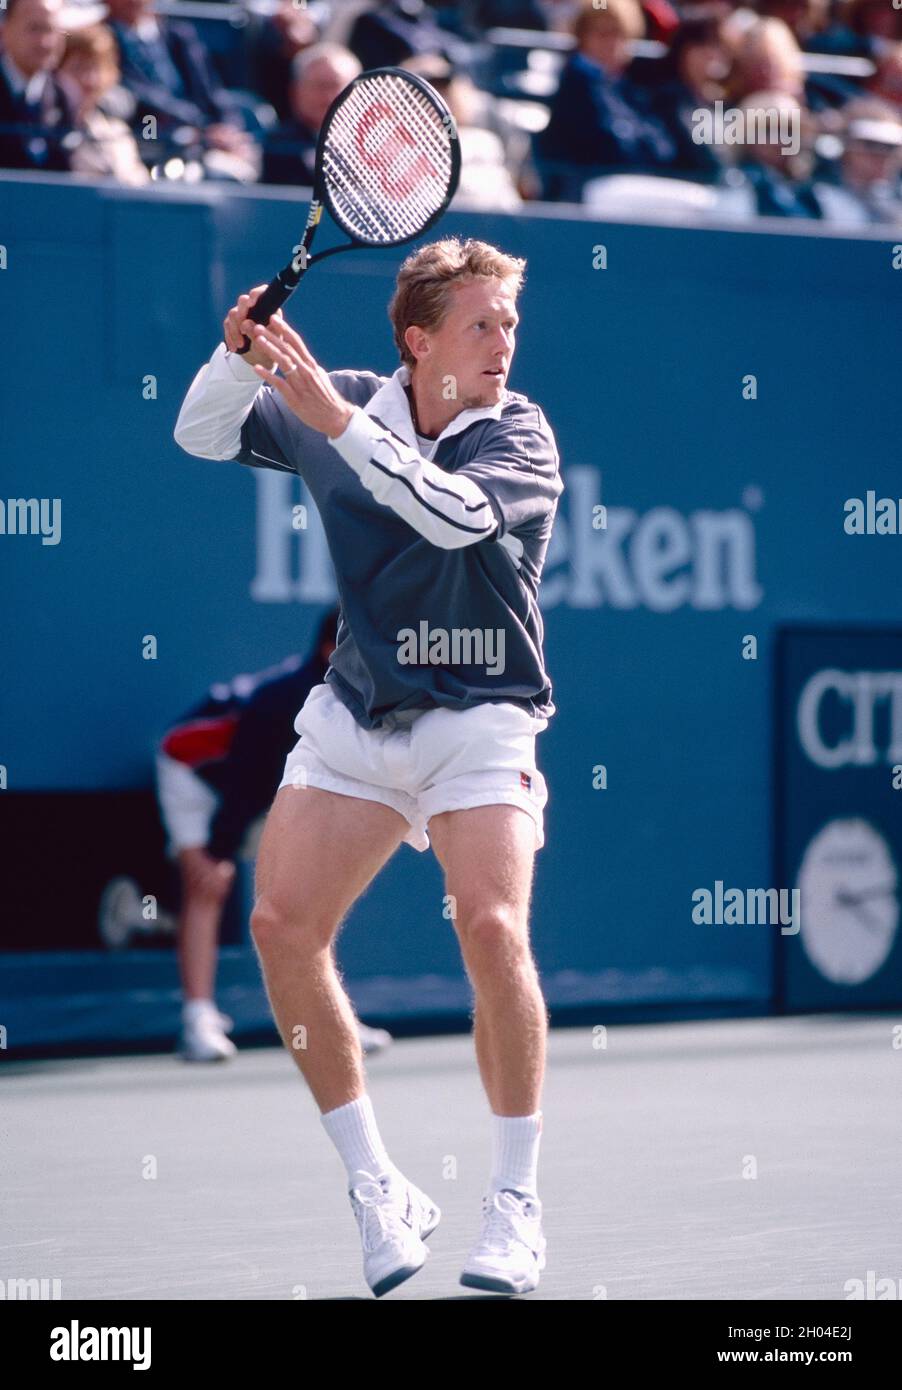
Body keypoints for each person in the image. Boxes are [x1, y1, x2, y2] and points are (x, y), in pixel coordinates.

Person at [173, 236, 563, 1298]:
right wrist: (236, 356)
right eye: (481, 324)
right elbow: (200, 433)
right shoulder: (335, 397)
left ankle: (514, 1205)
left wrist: (334, 422)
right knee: (278, 925)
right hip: (357, 712)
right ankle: (376, 1185)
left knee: (490, 924)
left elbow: (451, 519)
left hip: (479, 716)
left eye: (510, 323)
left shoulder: (517, 433)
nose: (502, 343)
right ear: (417, 339)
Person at [153, 607, 392, 1062]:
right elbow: (248, 779)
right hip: (191, 767)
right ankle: (198, 1020)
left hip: (257, 789)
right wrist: (219, 852)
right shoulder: (288, 699)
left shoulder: (358, 694)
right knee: (207, 886)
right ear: (331, 650)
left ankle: (331, 1014)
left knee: (316, 890)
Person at [534, 0, 680, 199]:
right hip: (588, 191)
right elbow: (611, 149)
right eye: (602, 34)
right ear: (582, 37)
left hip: (632, 186)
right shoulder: (577, 82)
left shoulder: (625, 87)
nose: (612, 43)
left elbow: (664, 149)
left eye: (619, 34)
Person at [104, 0, 258, 181]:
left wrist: (229, 129)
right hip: (150, 133)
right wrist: (202, 130)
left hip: (201, 136)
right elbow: (143, 95)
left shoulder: (177, 35)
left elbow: (210, 89)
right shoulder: (104, 39)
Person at [58, 23, 149, 184]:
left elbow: (137, 186)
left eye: (97, 69)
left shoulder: (117, 133)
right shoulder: (46, 127)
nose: (90, 80)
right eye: (78, 68)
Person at [262, 42, 360, 188]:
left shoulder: (378, 151)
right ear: (296, 91)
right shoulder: (270, 148)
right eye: (320, 86)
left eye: (336, 85)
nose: (328, 97)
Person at [0, 0, 78, 172]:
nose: (45, 42)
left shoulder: (64, 95)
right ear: (4, 31)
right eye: (34, 28)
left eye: (52, 29)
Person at [814, 97, 902, 224]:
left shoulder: (897, 201)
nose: (882, 155)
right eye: (870, 144)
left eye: (891, 147)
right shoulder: (814, 199)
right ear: (844, 146)